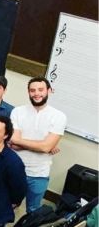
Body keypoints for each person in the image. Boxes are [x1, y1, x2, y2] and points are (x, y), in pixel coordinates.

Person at [10, 77, 66, 212]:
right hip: (15, 168)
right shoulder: (17, 111)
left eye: (41, 90)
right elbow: (14, 142)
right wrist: (43, 146)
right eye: (32, 90)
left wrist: (45, 147)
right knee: (7, 206)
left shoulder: (59, 116)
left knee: (33, 210)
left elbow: (43, 147)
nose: (36, 93)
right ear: (28, 92)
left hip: (39, 173)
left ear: (49, 91)